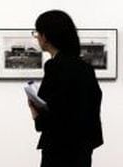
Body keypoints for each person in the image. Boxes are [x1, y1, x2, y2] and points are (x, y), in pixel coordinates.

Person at [28, 10, 103, 167]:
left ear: (45, 36)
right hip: (82, 149)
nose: (37, 38)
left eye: (37, 33)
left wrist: (34, 110)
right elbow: (93, 103)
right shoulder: (86, 68)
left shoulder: (54, 66)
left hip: (58, 149)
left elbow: (49, 114)